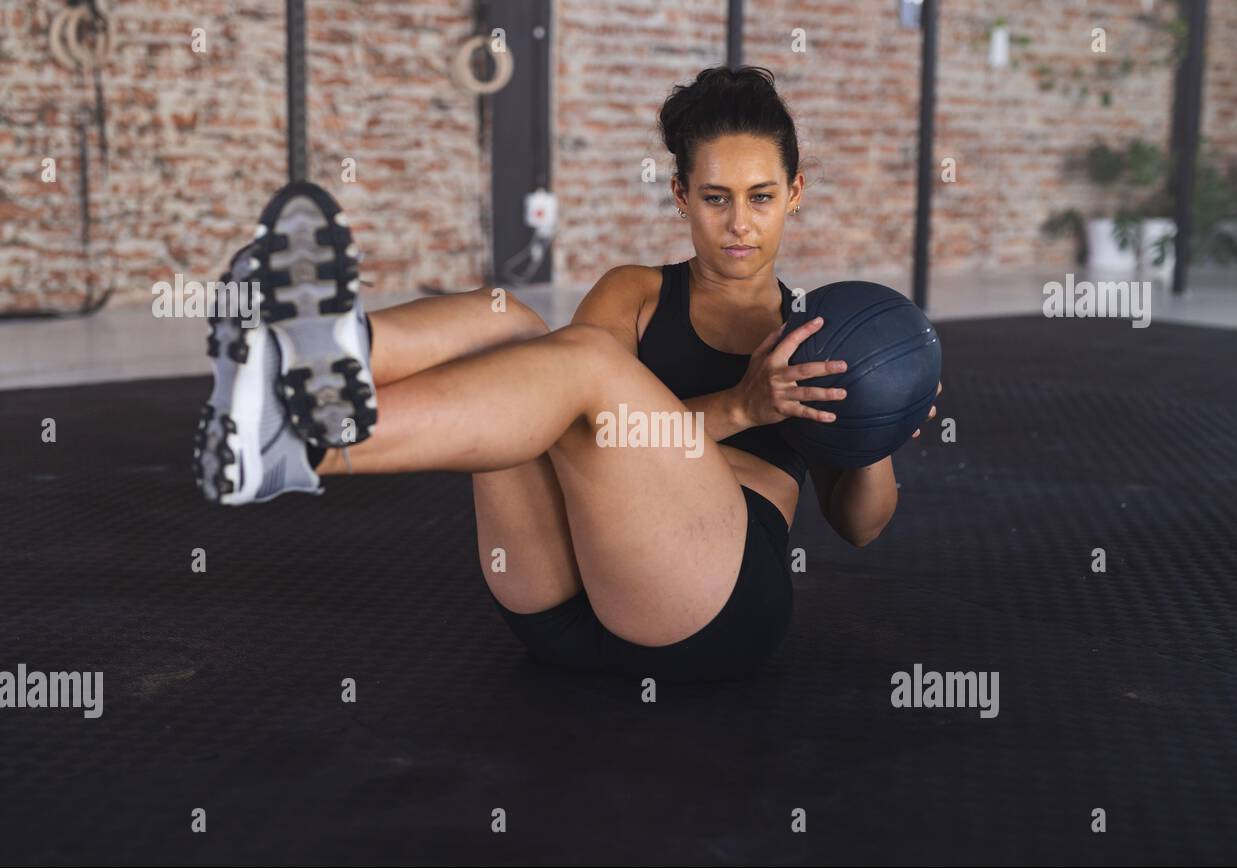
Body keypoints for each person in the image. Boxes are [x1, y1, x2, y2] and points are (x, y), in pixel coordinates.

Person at [192, 65, 939, 682]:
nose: (739, 223)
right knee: (506, 320)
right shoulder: (636, 293)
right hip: (556, 602)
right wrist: (740, 404)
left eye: (761, 197)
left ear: (794, 194)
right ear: (682, 197)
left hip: (711, 609)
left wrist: (882, 421)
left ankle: (303, 443)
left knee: (583, 362)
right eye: (715, 198)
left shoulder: (822, 333)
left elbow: (860, 528)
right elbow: (571, 420)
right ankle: (299, 357)